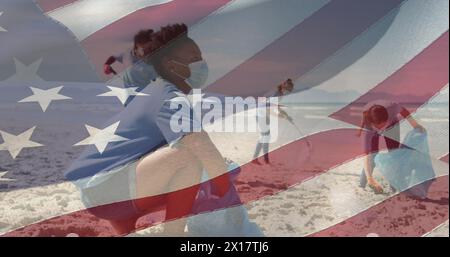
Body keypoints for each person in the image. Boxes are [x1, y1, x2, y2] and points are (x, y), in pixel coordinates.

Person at [66, 24, 230, 236]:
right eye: (194, 58)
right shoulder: (169, 96)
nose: (202, 64)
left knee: (189, 156)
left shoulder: (155, 89)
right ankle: (173, 233)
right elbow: (200, 144)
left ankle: (126, 225)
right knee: (189, 158)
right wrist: (224, 188)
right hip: (105, 193)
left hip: (100, 188)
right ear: (171, 65)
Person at [358, 100, 426, 194]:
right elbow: (367, 155)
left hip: (392, 126)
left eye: (384, 125)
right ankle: (362, 186)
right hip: (372, 127)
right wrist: (370, 178)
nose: (382, 130)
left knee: (394, 155)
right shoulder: (369, 127)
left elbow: (404, 111)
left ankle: (394, 187)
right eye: (379, 127)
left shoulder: (392, 108)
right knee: (372, 156)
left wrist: (415, 125)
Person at [251, 79, 294, 165]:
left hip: (262, 115)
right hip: (261, 115)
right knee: (266, 136)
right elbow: (269, 109)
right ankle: (265, 160)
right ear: (283, 86)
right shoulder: (277, 94)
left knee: (264, 136)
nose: (286, 92)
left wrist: (287, 116)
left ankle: (255, 159)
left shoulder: (280, 94)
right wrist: (280, 116)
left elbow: (277, 107)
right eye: (287, 89)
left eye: (288, 91)